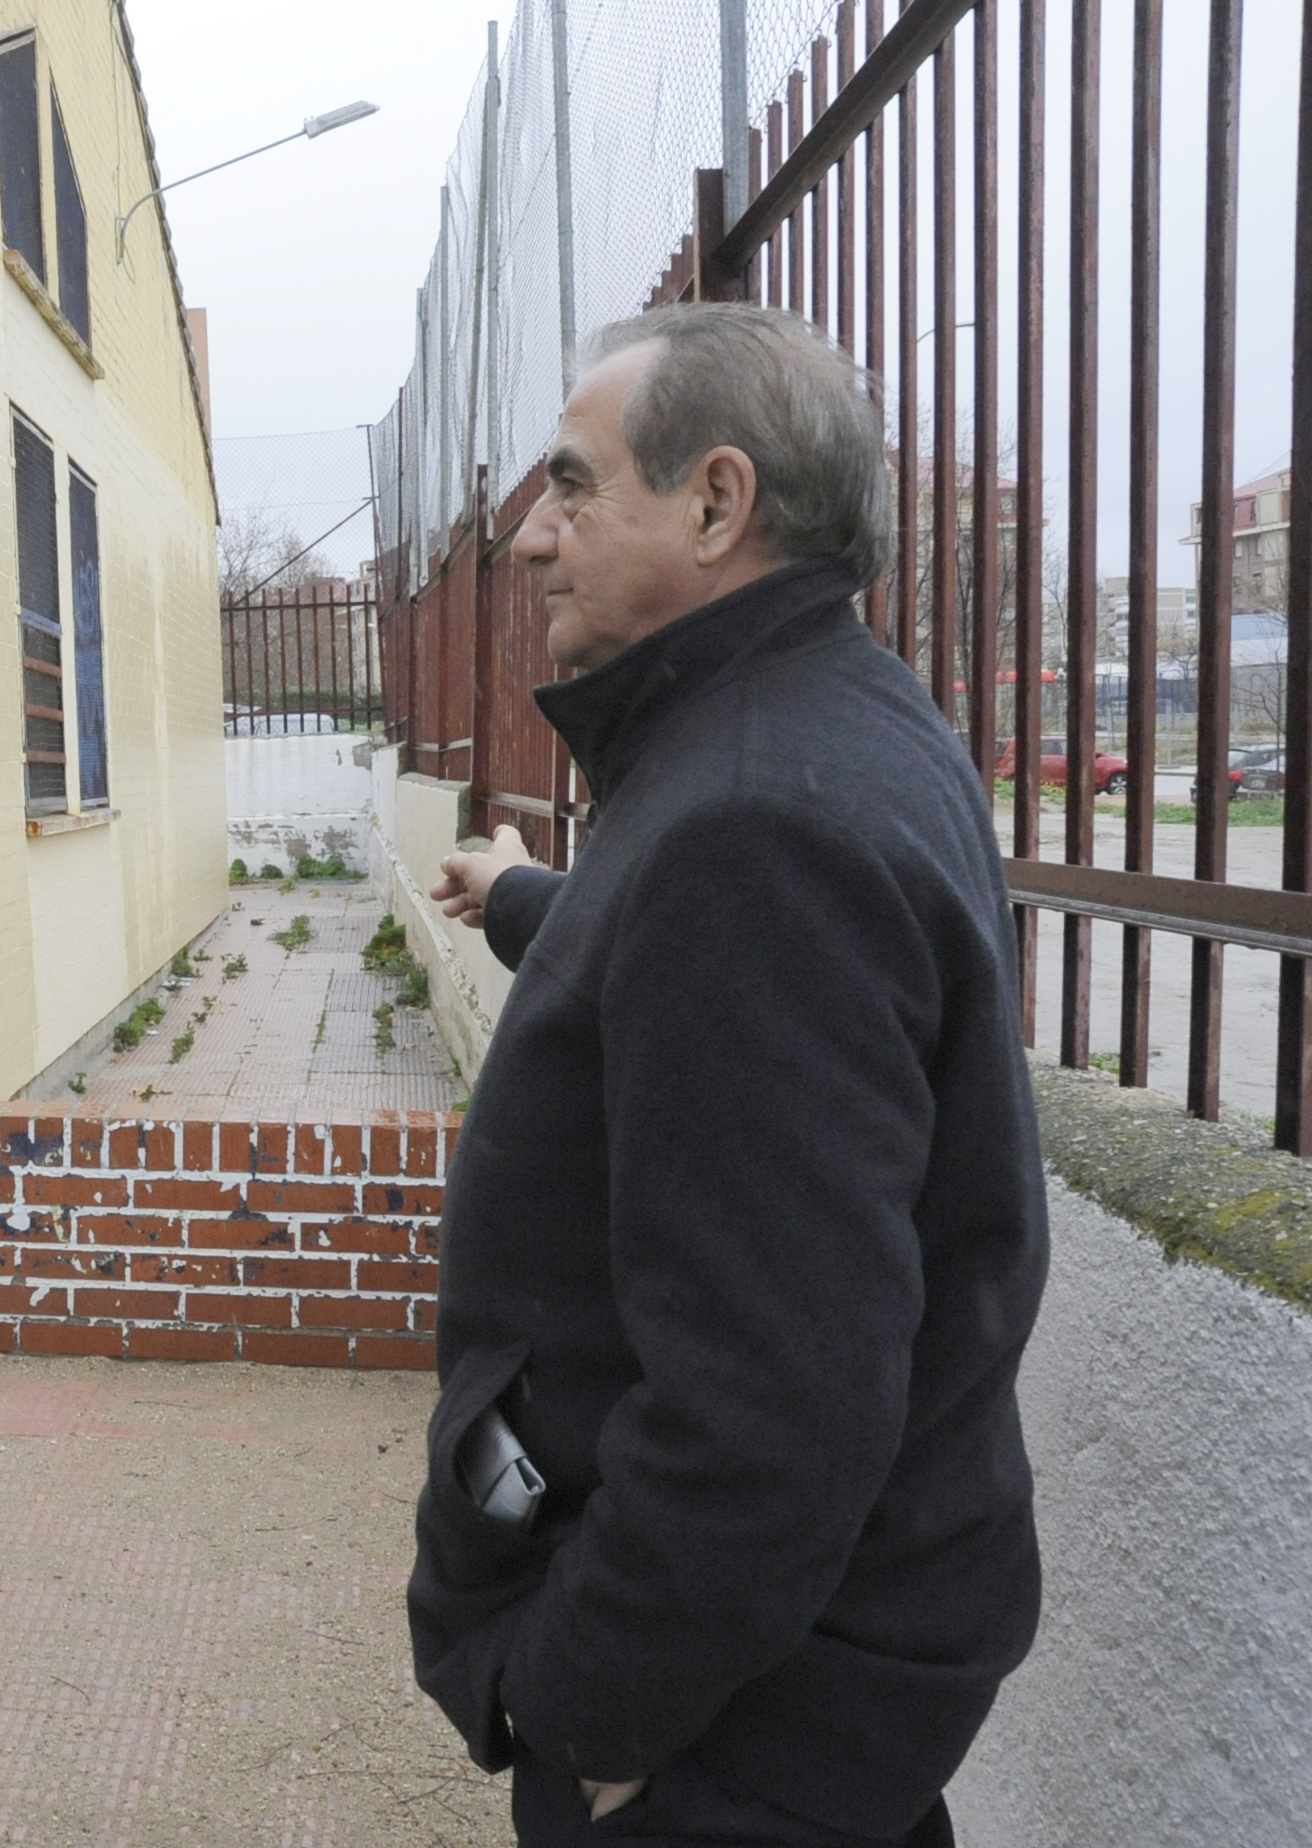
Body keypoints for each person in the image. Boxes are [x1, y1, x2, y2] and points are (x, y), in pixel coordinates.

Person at [404, 303, 1046, 1848]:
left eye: (574, 487)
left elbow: (768, 1409)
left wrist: (586, 1709)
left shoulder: (753, 824)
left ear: (716, 503)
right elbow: (676, 984)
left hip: (727, 1742)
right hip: (802, 1697)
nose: (533, 538)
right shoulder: (814, 729)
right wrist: (521, 897)